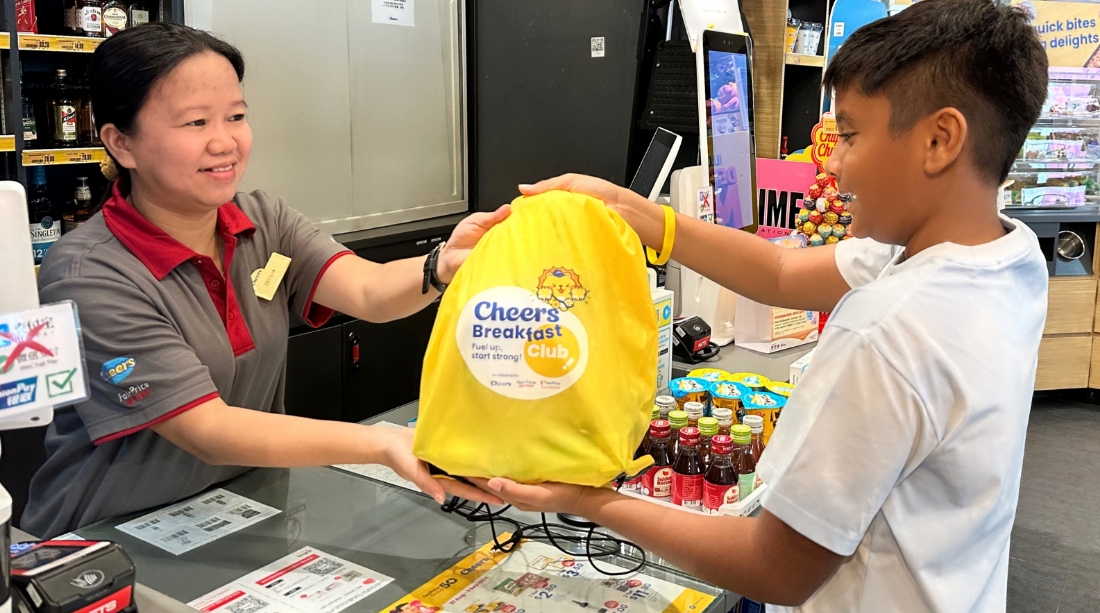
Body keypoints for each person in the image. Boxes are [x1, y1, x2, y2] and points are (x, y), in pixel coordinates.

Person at [475, 1, 1049, 610]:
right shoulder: (1004, 253)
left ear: (940, 140)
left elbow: (774, 569)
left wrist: (585, 499)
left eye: (849, 135)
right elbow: (779, 271)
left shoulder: (887, 329)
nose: (832, 163)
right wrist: (632, 209)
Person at [22, 23, 505, 538]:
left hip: (238, 510)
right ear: (122, 143)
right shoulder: (87, 272)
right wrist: (383, 444)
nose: (224, 141)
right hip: (106, 534)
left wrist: (443, 264)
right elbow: (208, 429)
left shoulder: (262, 220)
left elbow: (369, 291)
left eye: (236, 116)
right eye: (194, 122)